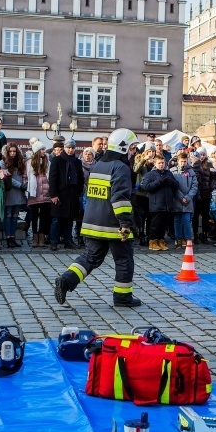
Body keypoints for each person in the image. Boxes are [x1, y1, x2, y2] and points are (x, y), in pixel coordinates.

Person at [53, 129, 143, 307]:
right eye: (132, 148)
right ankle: (123, 297)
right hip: (113, 225)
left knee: (91, 257)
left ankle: (66, 280)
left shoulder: (98, 165)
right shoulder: (121, 168)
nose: (134, 151)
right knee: (124, 260)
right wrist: (126, 224)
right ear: (123, 148)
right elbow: (120, 199)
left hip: (92, 223)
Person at [48, 139, 84, 251]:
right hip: (60, 194)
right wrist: (53, 195)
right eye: (68, 147)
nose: (70, 150)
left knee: (69, 219)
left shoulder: (77, 162)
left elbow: (80, 178)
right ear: (65, 148)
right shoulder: (57, 160)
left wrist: (78, 192)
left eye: (72, 148)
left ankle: (68, 240)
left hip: (72, 195)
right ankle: (53, 241)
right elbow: (53, 179)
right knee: (56, 220)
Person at [1, 142, 28, 248]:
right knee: (8, 216)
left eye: (14, 151)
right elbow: (7, 178)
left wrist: (25, 183)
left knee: (15, 217)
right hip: (10, 191)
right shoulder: (3, 162)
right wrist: (20, 185)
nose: (12, 153)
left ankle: (13, 237)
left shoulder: (20, 162)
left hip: (19, 192)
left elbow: (24, 175)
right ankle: (8, 238)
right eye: (10, 151)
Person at [26, 141, 51, 248]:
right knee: (34, 217)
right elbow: (26, 176)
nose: (44, 151)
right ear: (36, 151)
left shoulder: (48, 162)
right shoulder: (30, 163)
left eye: (44, 149)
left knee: (44, 217)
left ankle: (42, 237)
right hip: (34, 193)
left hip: (46, 193)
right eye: (41, 149)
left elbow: (50, 177)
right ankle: (35, 237)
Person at [169, 152, 198, 248]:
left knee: (186, 220)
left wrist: (188, 197)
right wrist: (181, 197)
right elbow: (173, 186)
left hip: (188, 200)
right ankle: (178, 239)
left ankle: (188, 238)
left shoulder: (191, 172)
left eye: (185, 161)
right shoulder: (173, 171)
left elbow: (194, 186)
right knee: (177, 220)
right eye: (181, 161)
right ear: (178, 161)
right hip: (177, 200)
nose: (183, 163)